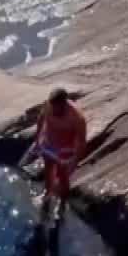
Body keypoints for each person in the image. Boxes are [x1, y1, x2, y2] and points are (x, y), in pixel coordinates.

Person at [27, 87, 87, 216]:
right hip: (48, 143)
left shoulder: (76, 117)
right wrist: (37, 140)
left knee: (62, 178)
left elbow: (81, 142)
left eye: (57, 108)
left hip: (65, 150)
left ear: (64, 103)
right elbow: (40, 120)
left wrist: (74, 163)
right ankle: (48, 194)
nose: (53, 110)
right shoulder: (49, 105)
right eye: (52, 106)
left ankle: (62, 203)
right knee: (48, 170)